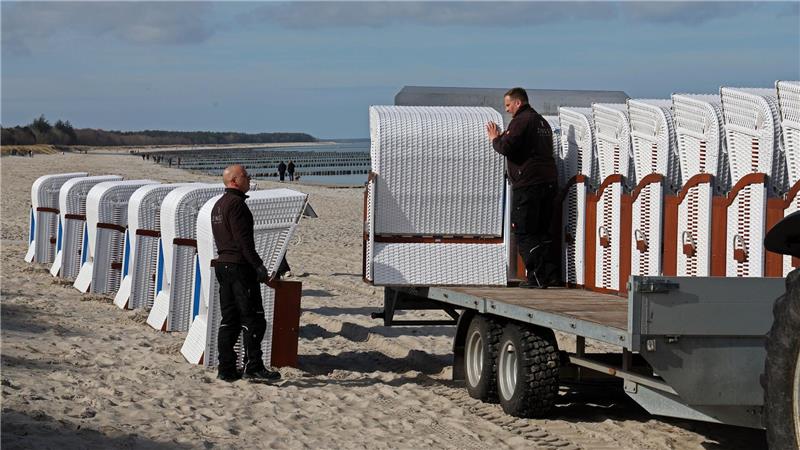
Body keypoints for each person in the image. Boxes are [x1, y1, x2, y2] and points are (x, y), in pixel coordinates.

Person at [211, 164, 281, 382]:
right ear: (234, 181)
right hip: (239, 267)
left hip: (223, 265)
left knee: (229, 319)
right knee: (254, 319)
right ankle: (254, 366)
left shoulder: (218, 205)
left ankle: (226, 368)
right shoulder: (237, 205)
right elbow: (243, 242)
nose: (249, 178)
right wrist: (258, 266)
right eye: (245, 176)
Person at [486, 87, 560, 289]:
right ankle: (551, 275)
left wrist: (495, 138)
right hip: (549, 182)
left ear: (518, 102)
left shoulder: (522, 120)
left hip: (528, 184)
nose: (507, 110)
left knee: (524, 231)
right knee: (543, 231)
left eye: (508, 105)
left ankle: (536, 277)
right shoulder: (542, 122)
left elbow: (507, 147)